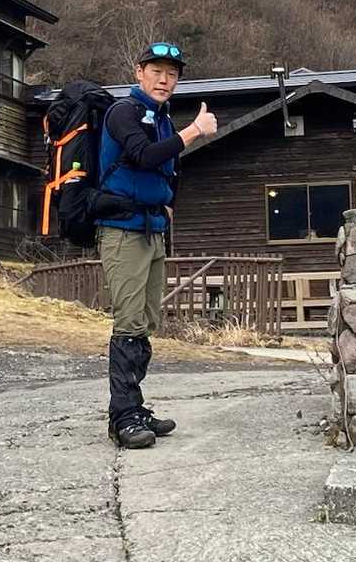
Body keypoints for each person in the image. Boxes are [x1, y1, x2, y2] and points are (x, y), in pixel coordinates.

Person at [99, 41, 217, 449]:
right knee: (129, 322)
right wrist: (194, 131)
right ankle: (122, 419)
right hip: (122, 230)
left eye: (172, 74)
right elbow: (143, 155)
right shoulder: (123, 112)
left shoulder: (162, 118)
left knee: (147, 321)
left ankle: (135, 408)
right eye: (156, 71)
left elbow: (168, 169)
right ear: (139, 72)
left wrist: (168, 206)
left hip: (151, 230)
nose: (165, 80)